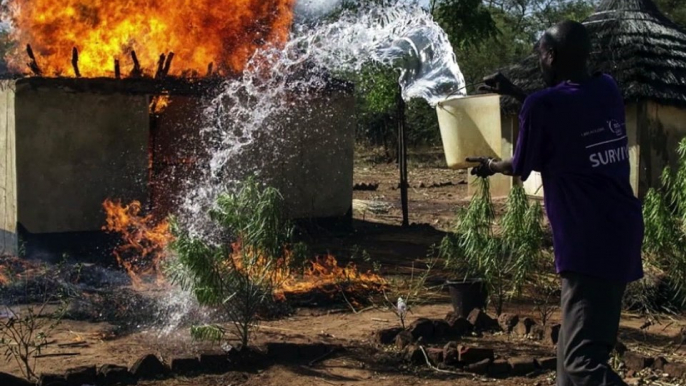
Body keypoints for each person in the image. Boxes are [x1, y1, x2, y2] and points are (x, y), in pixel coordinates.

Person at [467, 20, 644, 386]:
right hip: (620, 232)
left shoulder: (542, 106)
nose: (539, 64)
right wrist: (519, 93)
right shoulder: (606, 88)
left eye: (540, 57)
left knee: (581, 364)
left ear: (550, 55)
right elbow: (563, 107)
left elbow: (520, 165)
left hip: (588, 243)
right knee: (568, 359)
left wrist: (488, 165)